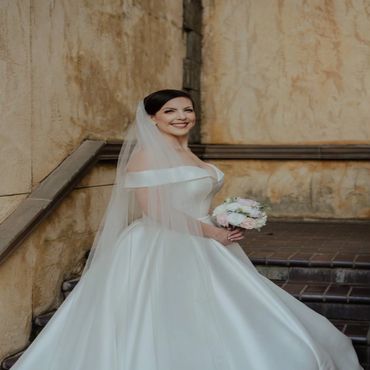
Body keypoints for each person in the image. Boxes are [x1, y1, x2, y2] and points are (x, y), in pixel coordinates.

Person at [11, 89, 363, 370]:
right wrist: (212, 233)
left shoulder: (191, 153)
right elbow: (157, 211)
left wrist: (227, 217)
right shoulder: (145, 157)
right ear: (153, 119)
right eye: (170, 112)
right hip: (163, 246)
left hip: (207, 239)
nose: (181, 117)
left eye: (187, 110)